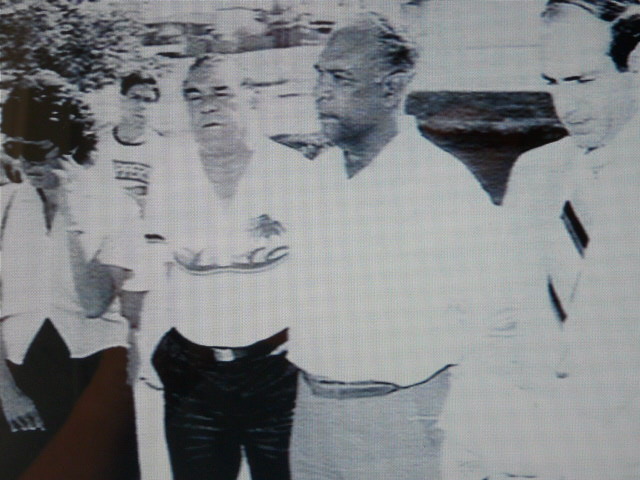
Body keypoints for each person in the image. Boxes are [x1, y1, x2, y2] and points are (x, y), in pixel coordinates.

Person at [285, 13, 504, 480]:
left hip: (400, 421)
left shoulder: (440, 185)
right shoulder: (316, 176)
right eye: (320, 76)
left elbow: (491, 323)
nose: (321, 92)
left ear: (391, 88)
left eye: (340, 78)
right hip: (312, 419)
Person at [125, 54, 311, 480]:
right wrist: (151, 351)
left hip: (276, 378)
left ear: (253, 98)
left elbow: (324, 277)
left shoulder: (297, 174)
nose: (206, 105)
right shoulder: (169, 177)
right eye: (194, 96)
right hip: (194, 380)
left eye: (221, 92)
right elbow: (153, 271)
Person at [501, 1, 640, 478]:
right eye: (551, 83)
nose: (567, 107)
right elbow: (506, 320)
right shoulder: (533, 173)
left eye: (583, 81)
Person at [0, 72, 139, 479]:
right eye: (13, 147)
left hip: (96, 376)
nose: (25, 163)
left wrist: (68, 207)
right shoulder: (4, 207)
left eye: (37, 150)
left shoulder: (114, 205)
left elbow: (95, 301)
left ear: (68, 142)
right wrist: (5, 393)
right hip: (21, 373)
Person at [97, 72, 164, 214]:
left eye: (148, 100)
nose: (141, 105)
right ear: (122, 100)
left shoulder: (163, 148)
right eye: (135, 97)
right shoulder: (99, 142)